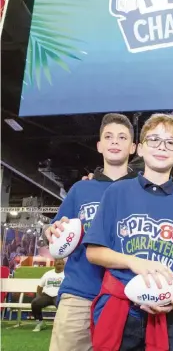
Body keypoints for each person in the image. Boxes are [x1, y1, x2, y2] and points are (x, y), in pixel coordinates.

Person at [83, 113, 173, 351]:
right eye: (154, 140)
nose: (161, 147)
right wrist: (134, 262)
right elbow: (94, 252)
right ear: (141, 149)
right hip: (120, 309)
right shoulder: (117, 192)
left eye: (170, 142)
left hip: (169, 310)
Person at [45, 113, 137, 351]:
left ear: (133, 147)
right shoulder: (81, 190)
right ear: (99, 145)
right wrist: (51, 231)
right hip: (79, 295)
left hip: (126, 298)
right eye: (108, 136)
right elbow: (55, 229)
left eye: (122, 137)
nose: (114, 142)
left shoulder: (141, 191)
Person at [31, 258, 65, 332]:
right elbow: (40, 287)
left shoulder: (67, 274)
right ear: (54, 264)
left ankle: (61, 325)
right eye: (57, 261)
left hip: (59, 295)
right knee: (35, 303)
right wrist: (39, 296)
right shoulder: (48, 273)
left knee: (62, 305)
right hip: (46, 295)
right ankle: (40, 323)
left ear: (64, 264)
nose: (59, 261)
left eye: (61, 261)